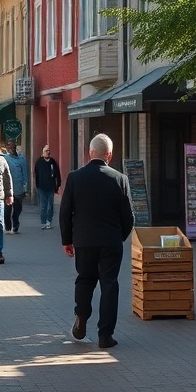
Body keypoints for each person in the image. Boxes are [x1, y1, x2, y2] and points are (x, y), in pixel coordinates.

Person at [59, 133, 134, 349]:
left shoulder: (75, 177)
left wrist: (68, 240)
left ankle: (81, 316)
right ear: (109, 154)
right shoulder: (120, 179)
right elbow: (128, 217)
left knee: (85, 279)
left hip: (83, 241)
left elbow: (65, 213)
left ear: (90, 152)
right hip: (111, 241)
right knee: (109, 284)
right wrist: (119, 237)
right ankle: (105, 336)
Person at [3, 139, 29, 233]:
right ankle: (8, 227)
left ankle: (15, 222)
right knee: (7, 210)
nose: (12, 148)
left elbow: (25, 174)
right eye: (10, 146)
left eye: (13, 146)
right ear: (7, 148)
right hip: (7, 189)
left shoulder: (21, 159)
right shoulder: (4, 158)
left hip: (19, 189)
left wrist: (25, 188)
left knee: (18, 209)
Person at [34, 144, 62, 229]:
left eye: (49, 150)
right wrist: (37, 186)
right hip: (41, 187)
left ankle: (48, 222)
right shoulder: (39, 162)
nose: (48, 152)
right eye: (46, 150)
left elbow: (57, 173)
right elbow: (36, 174)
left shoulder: (53, 162)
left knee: (50, 205)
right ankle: (43, 222)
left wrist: (58, 184)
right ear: (42, 153)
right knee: (43, 205)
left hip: (51, 187)